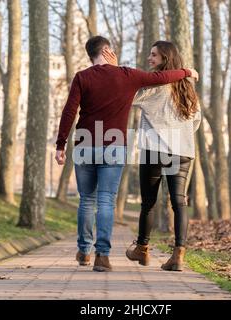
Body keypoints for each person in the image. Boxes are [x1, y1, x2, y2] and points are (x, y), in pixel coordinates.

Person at [55, 36, 199, 272]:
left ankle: (89, 250)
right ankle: (107, 256)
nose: (149, 58)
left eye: (154, 55)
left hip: (96, 144)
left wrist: (61, 144)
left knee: (91, 200)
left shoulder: (85, 77)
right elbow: (167, 86)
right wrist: (186, 72)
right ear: (108, 51)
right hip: (152, 147)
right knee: (170, 201)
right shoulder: (134, 77)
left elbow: (72, 109)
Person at [120, 41, 202, 272]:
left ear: (166, 58)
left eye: (154, 55)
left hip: (154, 149)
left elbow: (129, 99)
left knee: (149, 202)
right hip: (183, 150)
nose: (149, 58)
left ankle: (142, 249)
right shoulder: (188, 87)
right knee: (179, 201)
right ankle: (179, 255)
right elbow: (195, 120)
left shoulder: (151, 88)